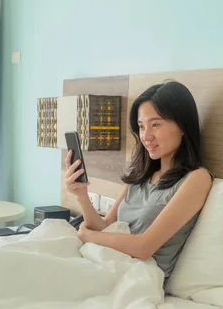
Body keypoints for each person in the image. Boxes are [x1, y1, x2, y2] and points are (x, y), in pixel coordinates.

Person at [64, 81, 213, 291]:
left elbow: (144, 247)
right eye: (142, 126)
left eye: (155, 124)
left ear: (182, 125)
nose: (146, 136)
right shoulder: (141, 176)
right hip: (109, 261)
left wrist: (89, 237)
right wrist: (81, 195)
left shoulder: (197, 179)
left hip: (137, 275)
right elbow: (106, 226)